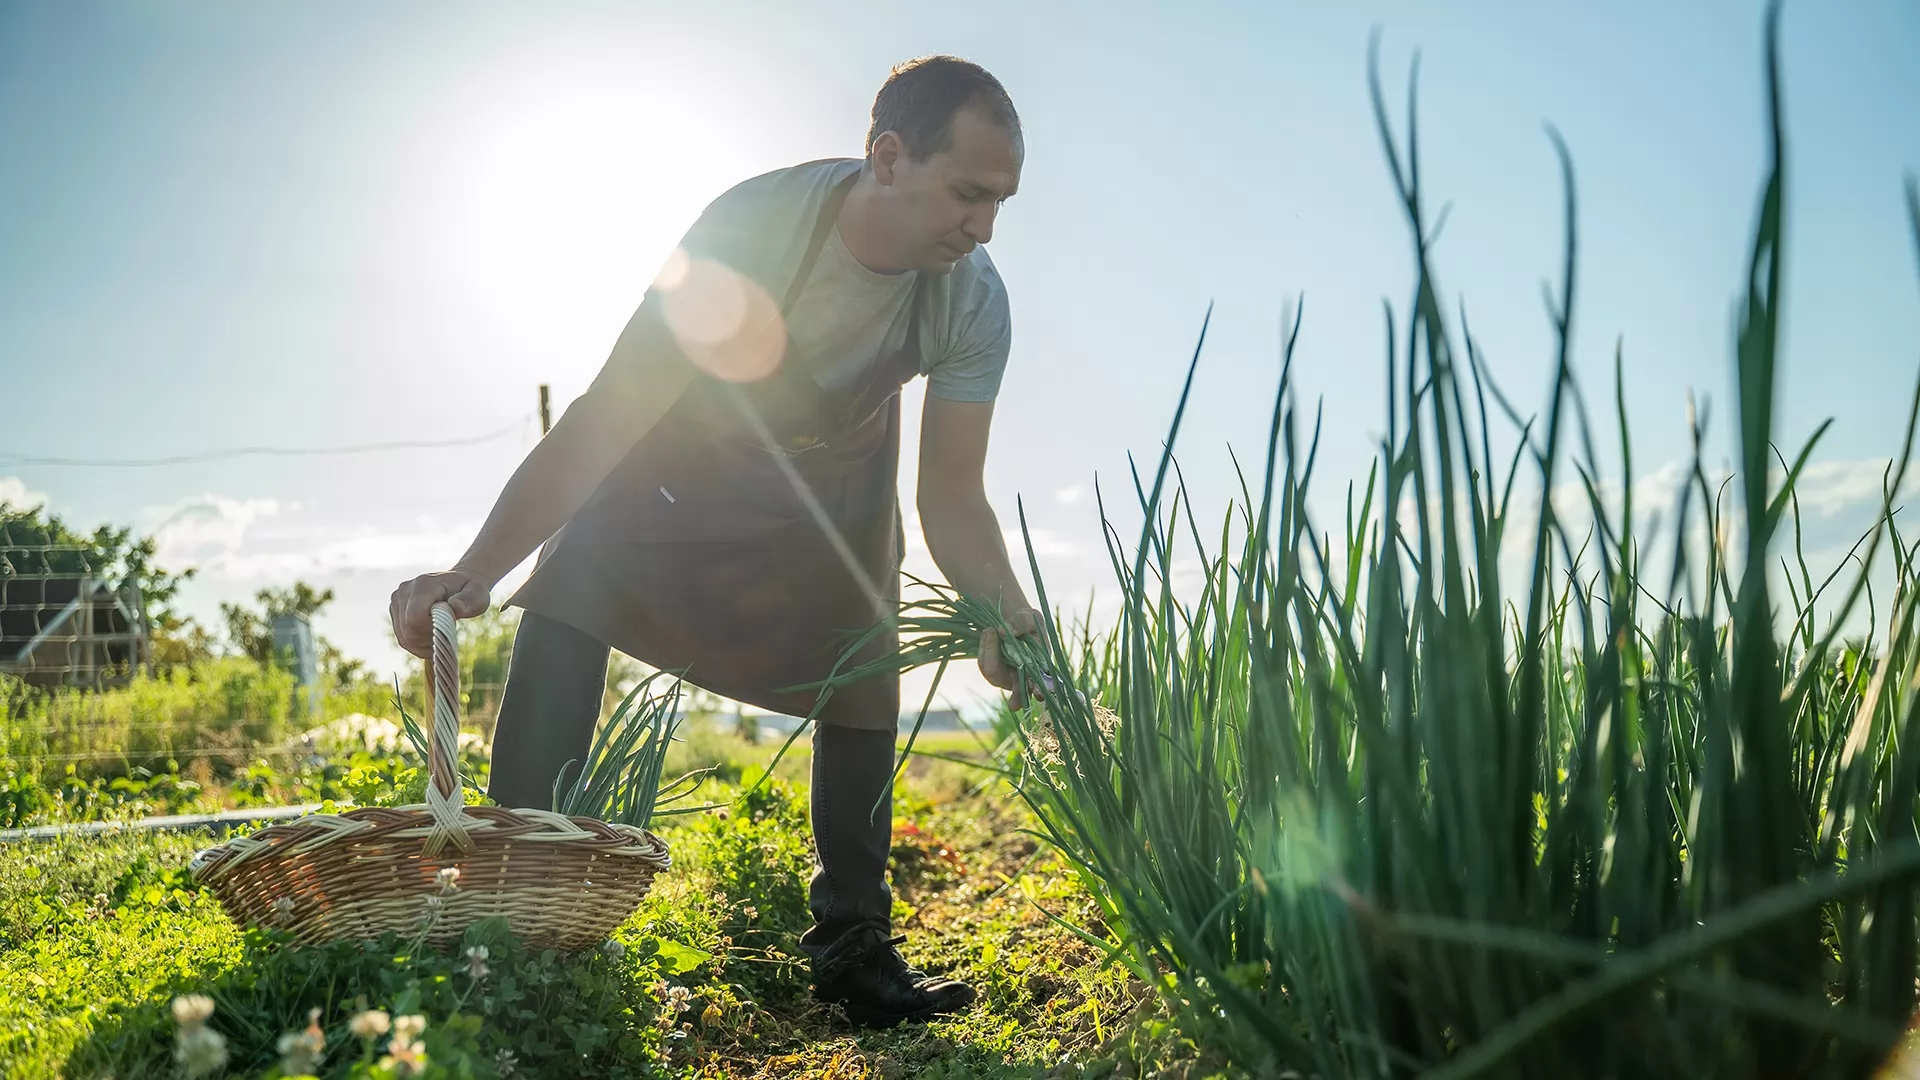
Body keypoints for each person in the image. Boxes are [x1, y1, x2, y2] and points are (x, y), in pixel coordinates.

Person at [388, 54, 1039, 1028]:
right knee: (577, 573)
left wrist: (1006, 609)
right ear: (890, 157)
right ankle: (518, 902)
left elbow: (951, 496)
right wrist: (480, 569)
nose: (985, 226)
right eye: (969, 193)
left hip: (835, 487)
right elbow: (612, 415)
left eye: (1001, 203)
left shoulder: (971, 300)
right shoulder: (750, 230)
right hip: (684, 461)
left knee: (869, 651)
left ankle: (854, 946)